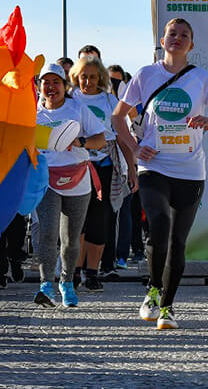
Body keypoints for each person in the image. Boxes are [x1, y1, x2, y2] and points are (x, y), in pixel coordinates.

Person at [113, 18, 208, 330]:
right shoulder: (146, 75)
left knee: (178, 240)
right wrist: (136, 148)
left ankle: (167, 307)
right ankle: (152, 291)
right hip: (154, 166)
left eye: (184, 35)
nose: (177, 38)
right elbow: (118, 118)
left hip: (191, 169)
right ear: (163, 39)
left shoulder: (202, 79)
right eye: (172, 33)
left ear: (191, 45)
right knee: (159, 224)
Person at [32, 63, 107, 309]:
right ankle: (45, 284)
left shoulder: (78, 108)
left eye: (56, 82)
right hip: (46, 179)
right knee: (48, 232)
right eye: (46, 82)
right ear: (40, 86)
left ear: (65, 86)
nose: (51, 87)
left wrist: (81, 140)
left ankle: (67, 282)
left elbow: (100, 140)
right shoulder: (32, 111)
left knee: (71, 239)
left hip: (77, 179)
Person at [69, 56, 130, 292]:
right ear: (76, 76)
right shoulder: (71, 98)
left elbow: (122, 136)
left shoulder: (109, 99)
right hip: (77, 166)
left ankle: (91, 273)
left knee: (100, 222)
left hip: (105, 165)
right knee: (77, 222)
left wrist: (131, 168)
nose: (88, 81)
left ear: (100, 78)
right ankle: (73, 271)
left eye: (93, 76)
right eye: (84, 76)